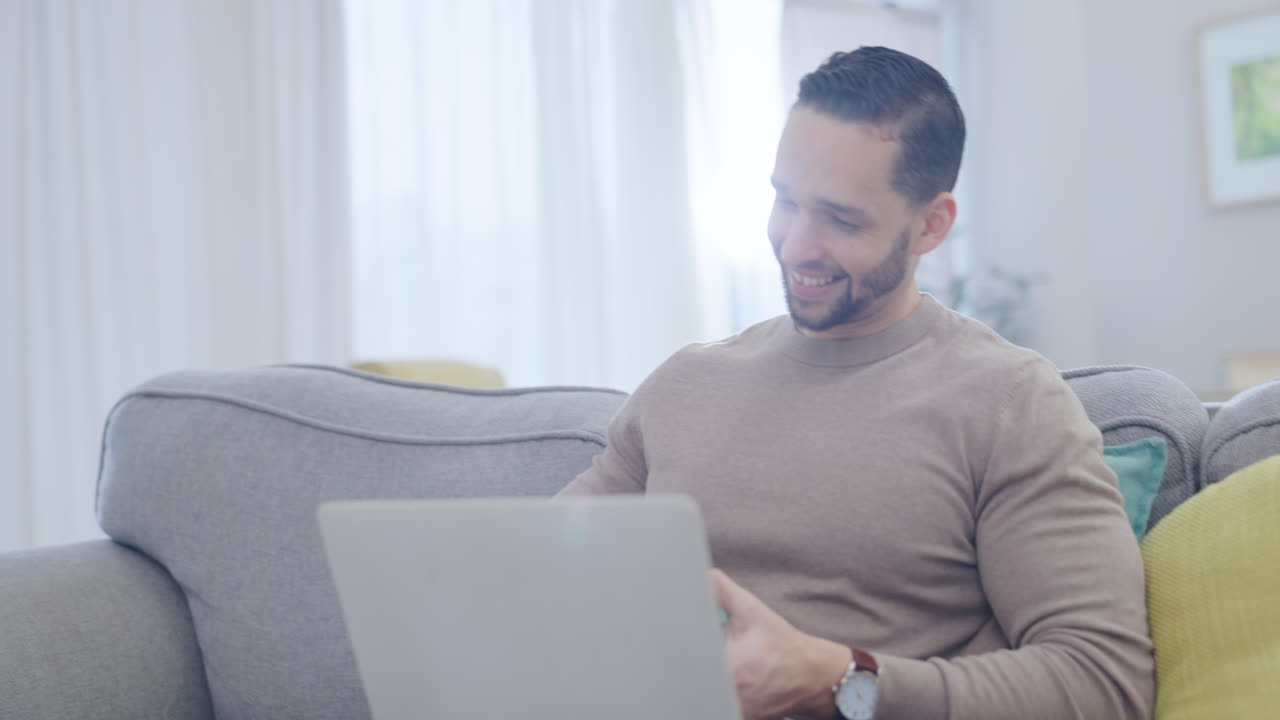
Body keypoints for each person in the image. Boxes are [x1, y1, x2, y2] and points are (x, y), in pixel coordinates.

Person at [558, 46, 1154, 720]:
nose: (793, 246)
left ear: (931, 225)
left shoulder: (1009, 402)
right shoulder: (685, 385)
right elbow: (537, 573)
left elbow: (1104, 683)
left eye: (840, 220)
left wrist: (843, 680)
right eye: (785, 202)